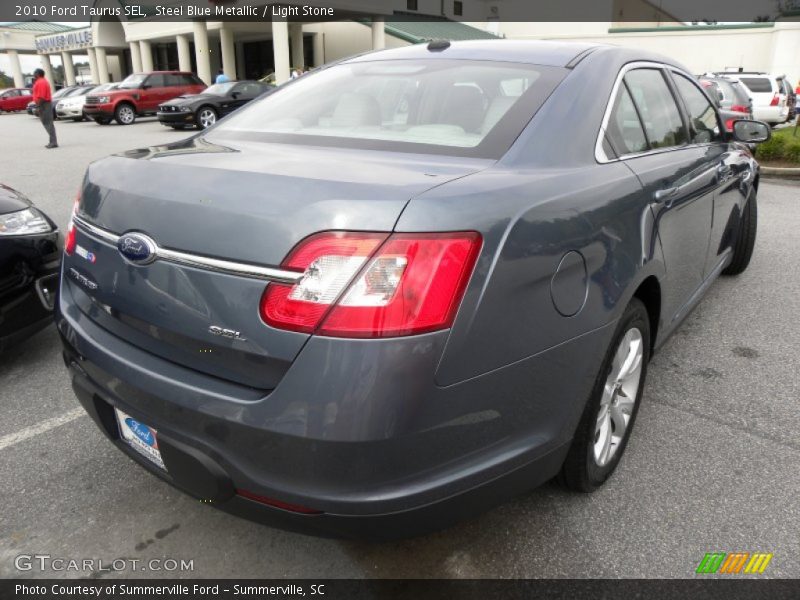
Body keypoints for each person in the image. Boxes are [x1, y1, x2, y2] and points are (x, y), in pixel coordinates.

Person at [32, 68, 57, 149]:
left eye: (34, 73)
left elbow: (41, 97)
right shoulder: (41, 81)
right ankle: (52, 141)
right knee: (47, 123)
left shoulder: (41, 82)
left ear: (38, 74)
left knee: (48, 123)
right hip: (44, 103)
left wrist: (38, 107)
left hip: (44, 104)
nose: (33, 74)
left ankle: (53, 142)